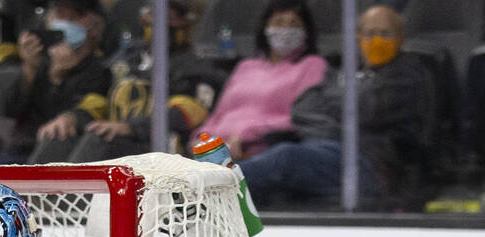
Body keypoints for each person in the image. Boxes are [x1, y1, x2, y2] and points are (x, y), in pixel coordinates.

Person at [236, 4, 435, 210]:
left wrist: (332, 108)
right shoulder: (342, 69)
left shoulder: (408, 75)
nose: (377, 40)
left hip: (371, 165)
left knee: (284, 158)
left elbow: (365, 110)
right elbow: (302, 108)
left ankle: (211, 189)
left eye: (385, 34)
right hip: (324, 151)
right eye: (369, 33)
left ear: (401, 39)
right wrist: (340, 114)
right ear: (358, 37)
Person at [65, 0, 227, 162]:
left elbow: (188, 112)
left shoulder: (196, 66)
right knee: (60, 135)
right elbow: (97, 99)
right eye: (154, 15)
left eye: (172, 17)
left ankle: (70, 186)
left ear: (188, 22)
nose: (161, 23)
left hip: (159, 148)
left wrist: (131, 128)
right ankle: (46, 186)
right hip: (114, 136)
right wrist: (73, 118)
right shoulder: (125, 59)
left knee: (98, 139)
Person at [193, 0, 326, 160]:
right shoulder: (246, 66)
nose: (285, 29)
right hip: (217, 148)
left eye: (294, 23)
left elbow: (303, 117)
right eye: (278, 22)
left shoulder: (312, 65)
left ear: (305, 31)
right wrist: (201, 137)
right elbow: (219, 113)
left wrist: (245, 136)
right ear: (266, 27)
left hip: (262, 152)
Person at [3, 0, 111, 163]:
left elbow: (88, 114)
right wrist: (29, 69)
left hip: (65, 149)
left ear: (94, 24)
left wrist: (59, 79)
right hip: (22, 147)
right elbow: (11, 111)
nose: (66, 22)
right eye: (60, 15)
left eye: (74, 17)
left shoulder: (101, 70)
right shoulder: (39, 60)